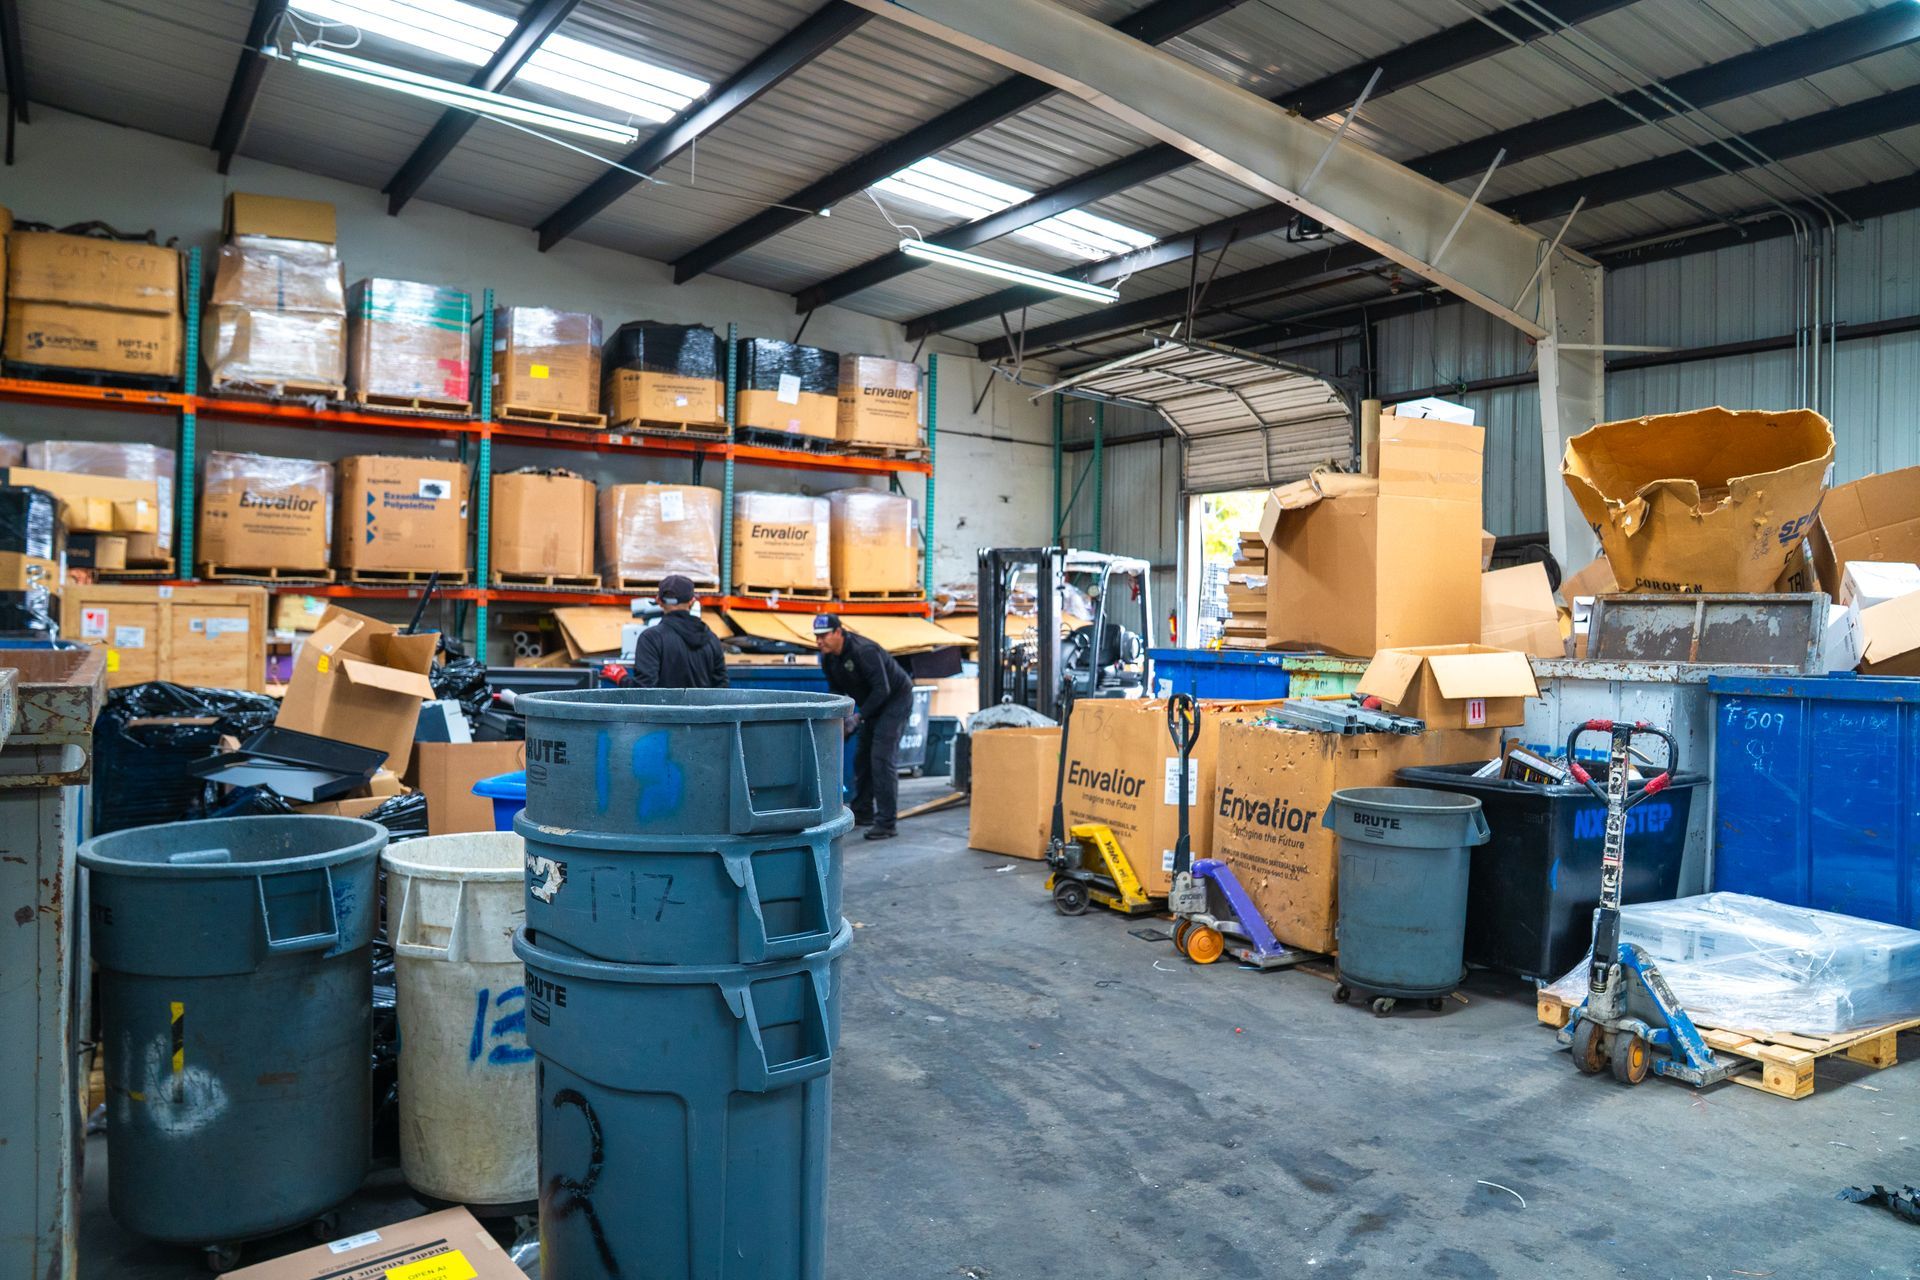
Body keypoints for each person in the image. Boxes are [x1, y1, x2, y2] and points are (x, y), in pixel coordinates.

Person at [815, 613, 913, 840]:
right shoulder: (829, 658)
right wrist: (838, 719)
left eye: (824, 636)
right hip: (872, 703)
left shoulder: (864, 651)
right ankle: (863, 812)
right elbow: (836, 691)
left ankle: (886, 823)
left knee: (881, 759)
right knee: (862, 757)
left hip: (895, 700)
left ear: (838, 632)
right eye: (817, 637)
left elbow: (882, 689)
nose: (819, 641)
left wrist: (857, 718)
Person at [601, 575, 727, 690]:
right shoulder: (712, 639)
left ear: (659, 601)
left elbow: (644, 689)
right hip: (704, 708)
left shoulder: (651, 638)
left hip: (665, 709)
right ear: (692, 601)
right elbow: (722, 687)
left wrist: (620, 677)